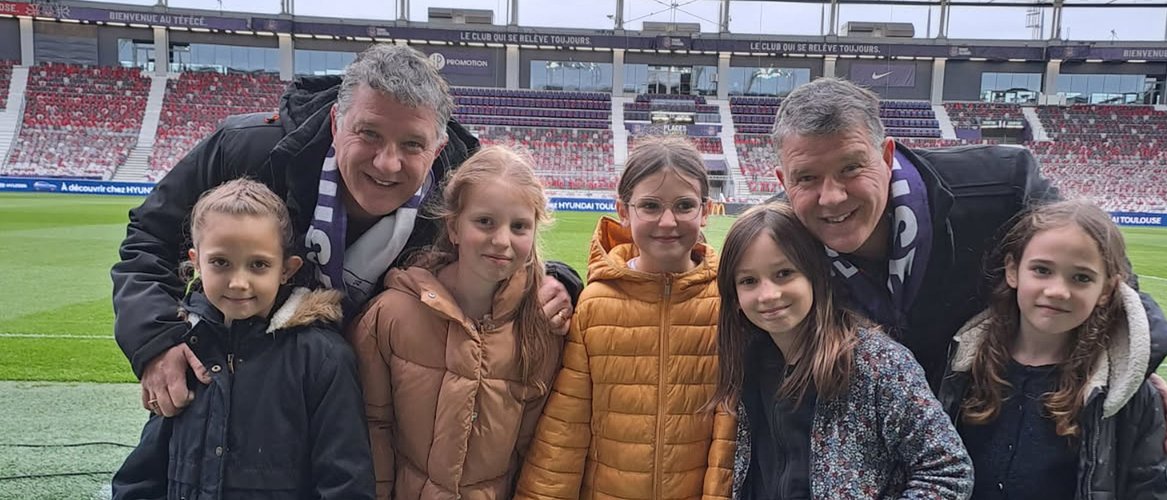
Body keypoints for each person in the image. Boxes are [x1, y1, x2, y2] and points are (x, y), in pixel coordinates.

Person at [111, 44, 581, 419]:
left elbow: (506, 250)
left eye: (411, 144)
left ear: (437, 150)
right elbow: (151, 238)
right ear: (337, 123)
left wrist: (557, 279)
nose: (387, 162)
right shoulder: (248, 150)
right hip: (240, 392)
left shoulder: (461, 189)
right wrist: (157, 341)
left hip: (370, 411)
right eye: (369, 134)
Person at [768, 77, 1167, 471]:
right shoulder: (774, 237)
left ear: (886, 155)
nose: (832, 196)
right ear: (784, 181)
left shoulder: (1001, 185)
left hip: (994, 434)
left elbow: (1101, 267)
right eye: (807, 178)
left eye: (851, 168)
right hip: (870, 457)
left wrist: (1132, 369)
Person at [111, 179, 373, 499]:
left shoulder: (322, 358)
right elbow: (145, 472)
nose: (238, 283)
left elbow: (345, 481)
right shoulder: (186, 349)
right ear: (196, 262)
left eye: (259, 265)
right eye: (220, 262)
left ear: (287, 270)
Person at [515, 137, 735, 500]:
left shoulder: (726, 303)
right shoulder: (596, 305)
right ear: (623, 210)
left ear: (705, 211)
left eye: (684, 206)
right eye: (650, 206)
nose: (668, 221)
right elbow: (565, 428)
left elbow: (728, 432)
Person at [712, 203, 973, 499]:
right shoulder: (745, 362)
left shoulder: (877, 363)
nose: (768, 294)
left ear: (816, 275)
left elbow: (948, 470)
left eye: (784, 273)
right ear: (734, 295)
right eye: (749, 281)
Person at [348, 146, 564, 499]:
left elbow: (533, 447)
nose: (502, 240)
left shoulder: (541, 328)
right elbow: (373, 428)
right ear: (454, 227)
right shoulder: (390, 315)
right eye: (485, 222)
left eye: (519, 226)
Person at [939, 200, 1167, 499]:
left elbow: (1150, 490)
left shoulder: (1125, 394)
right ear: (1013, 270)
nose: (1057, 291)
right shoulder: (961, 365)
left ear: (1106, 290)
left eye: (1081, 278)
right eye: (1041, 270)